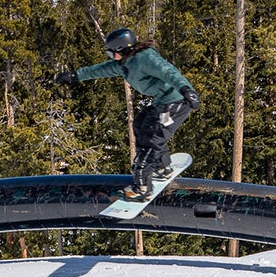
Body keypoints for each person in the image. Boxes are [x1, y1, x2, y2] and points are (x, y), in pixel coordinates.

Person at [54, 28, 200, 201]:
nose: (111, 57)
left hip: (178, 100)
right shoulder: (124, 64)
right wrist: (74, 76)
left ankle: (142, 187)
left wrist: (186, 90)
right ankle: (162, 166)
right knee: (140, 123)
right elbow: (100, 70)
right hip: (163, 101)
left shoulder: (145, 58)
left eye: (111, 53)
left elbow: (168, 71)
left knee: (152, 137)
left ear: (122, 49)